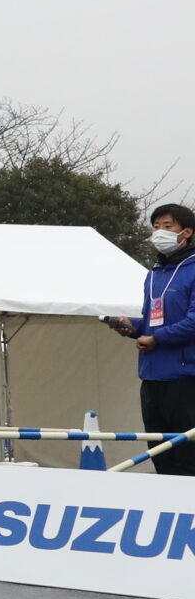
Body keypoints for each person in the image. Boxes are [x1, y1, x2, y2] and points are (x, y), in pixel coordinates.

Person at [113, 204, 195, 478]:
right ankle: (167, 508)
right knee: (158, 450)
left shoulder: (193, 269)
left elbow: (193, 322)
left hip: (184, 376)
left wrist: (155, 338)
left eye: (167, 226)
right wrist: (132, 328)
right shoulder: (153, 274)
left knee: (187, 452)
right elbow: (151, 322)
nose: (159, 232)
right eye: (155, 226)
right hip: (151, 375)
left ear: (186, 232)